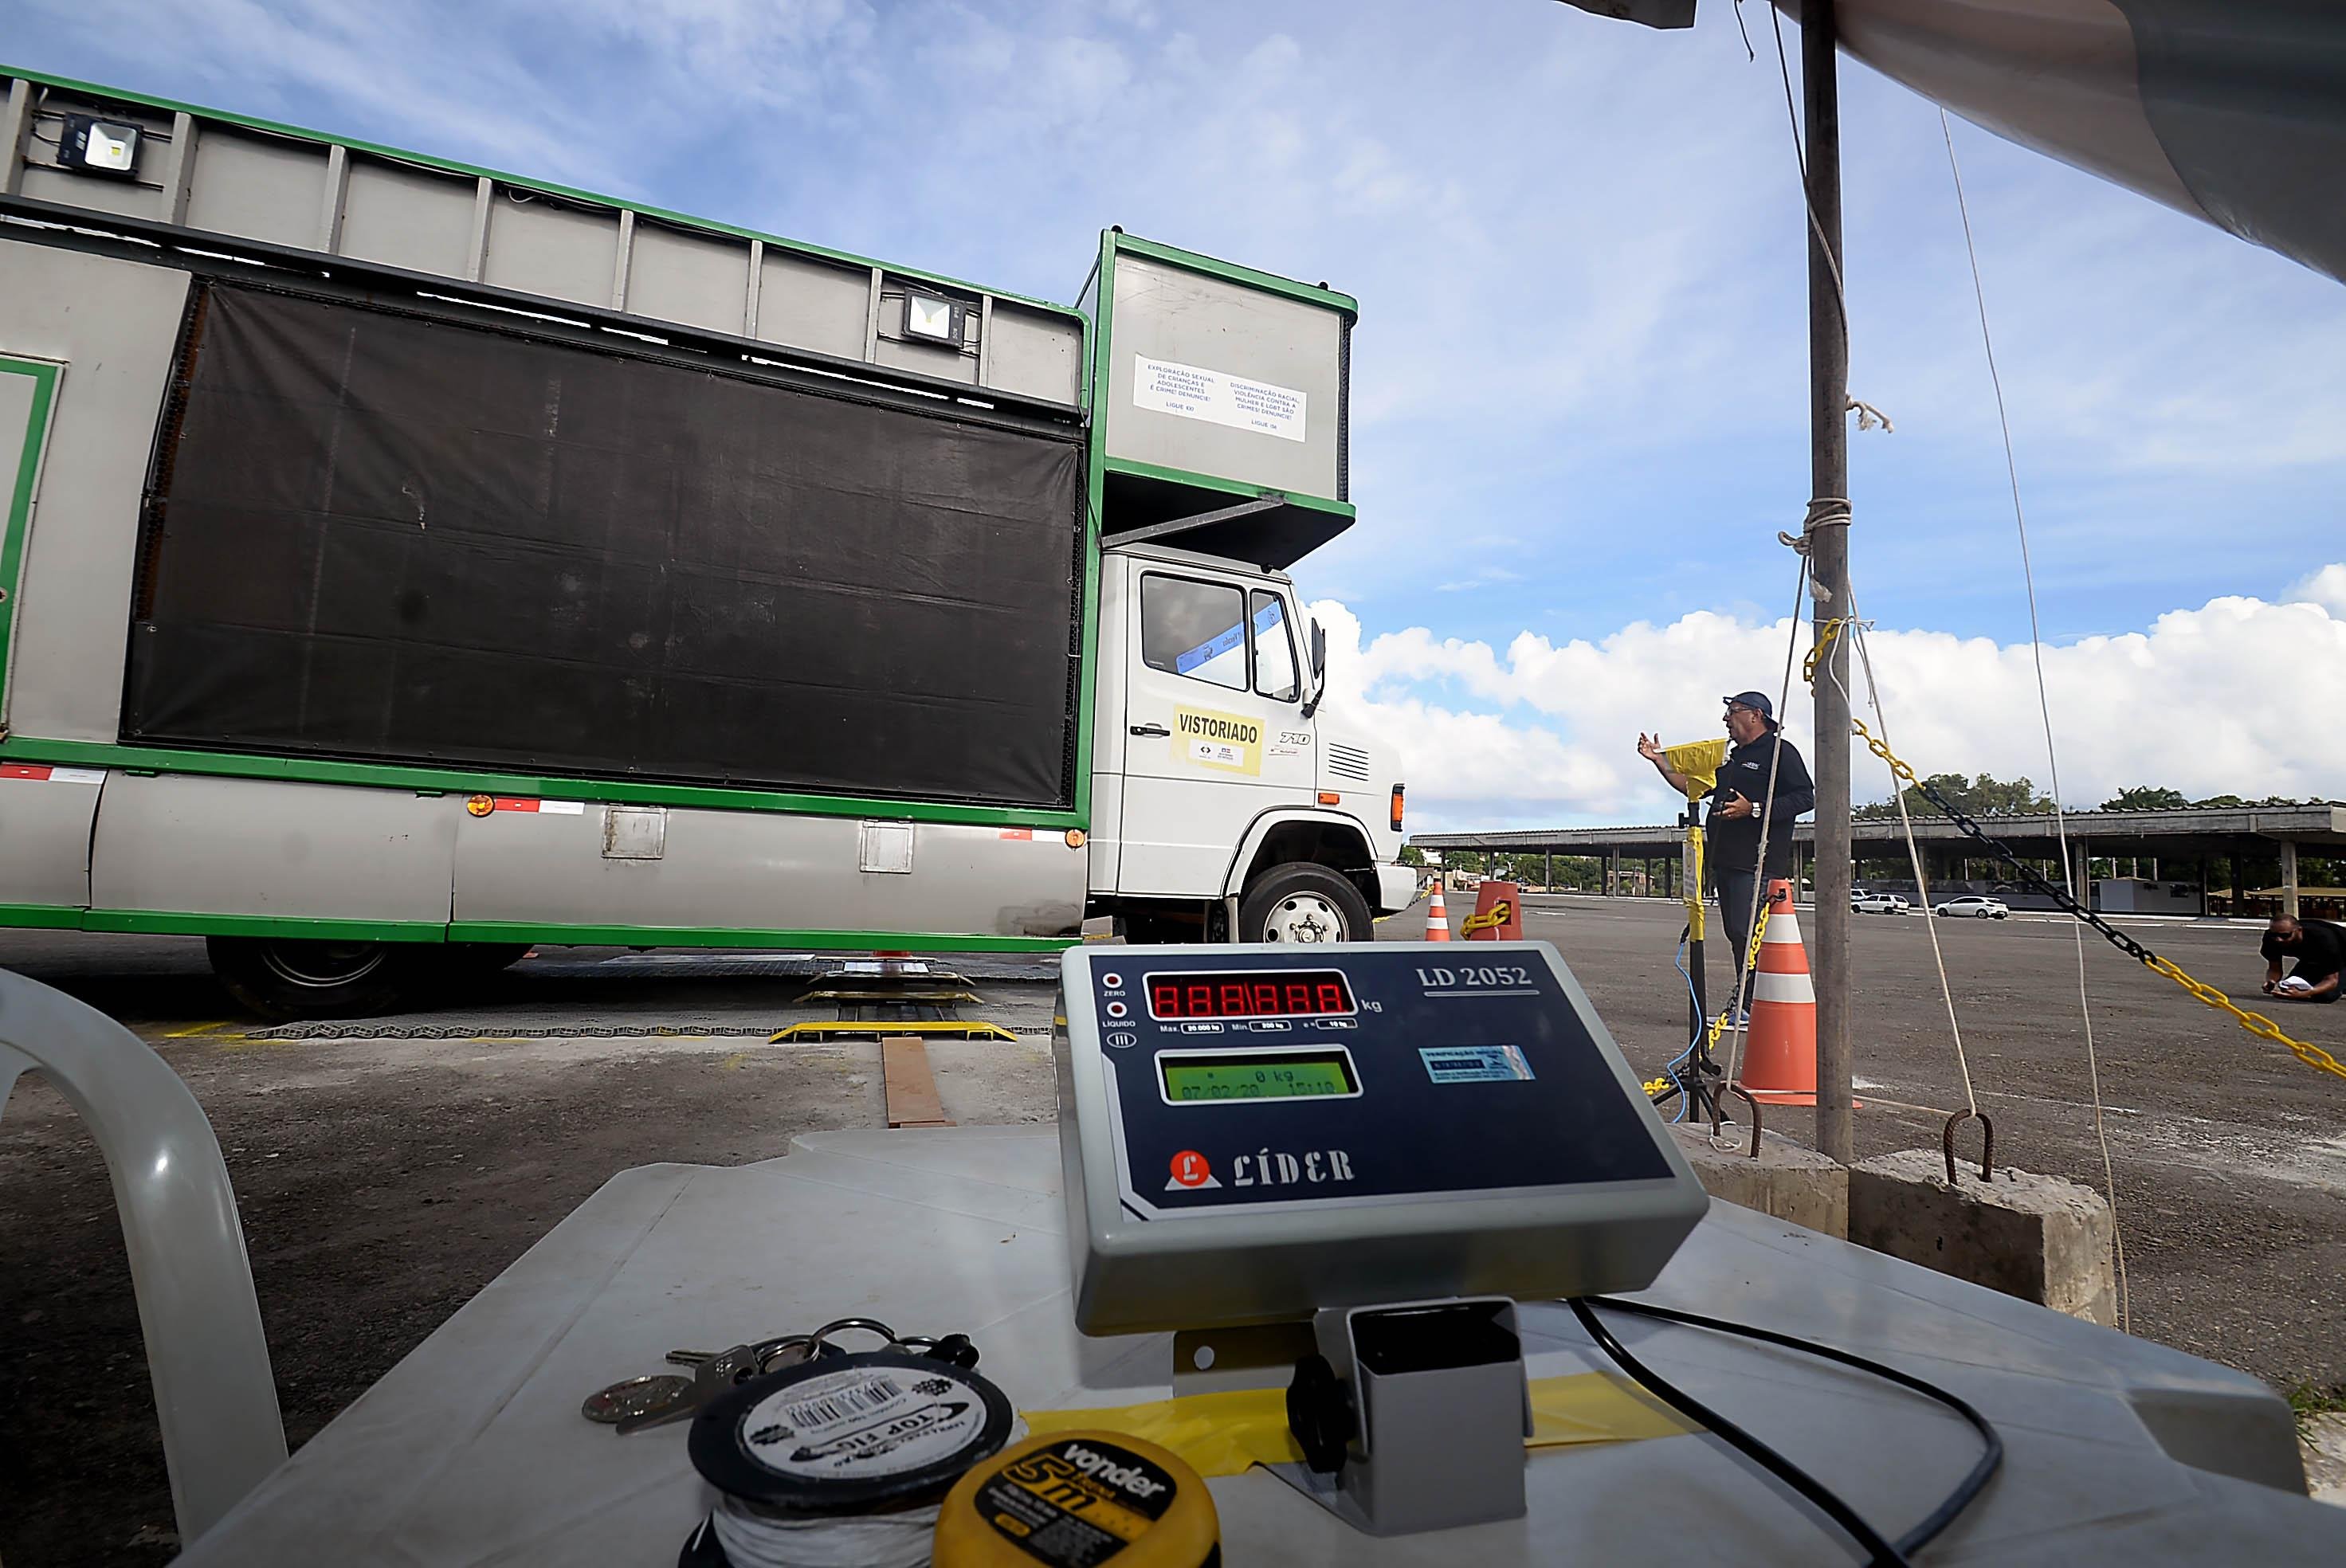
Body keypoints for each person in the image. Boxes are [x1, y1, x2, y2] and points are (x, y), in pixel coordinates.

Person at [1638, 691, 1815, 1023]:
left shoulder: (1779, 753)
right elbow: (1694, 787)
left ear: (1756, 715)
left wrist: (1756, 809)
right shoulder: (1732, 758)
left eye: (1733, 712)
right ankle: (1750, 1003)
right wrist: (1658, 761)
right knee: (1737, 933)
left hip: (1757, 862)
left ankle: (1755, 1006)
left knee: (1748, 932)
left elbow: (1806, 797)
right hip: (1726, 859)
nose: (1726, 719)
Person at [2261, 913, 2343, 1003]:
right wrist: (2271, 981)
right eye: (2274, 935)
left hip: (2342, 957)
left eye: (2285, 936)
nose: (2278, 939)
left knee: (2325, 996)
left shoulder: (2324, 940)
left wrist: (2305, 994)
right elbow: (2275, 969)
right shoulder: (2270, 939)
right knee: (2288, 988)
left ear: (2299, 930)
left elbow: (2331, 980)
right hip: (2312, 959)